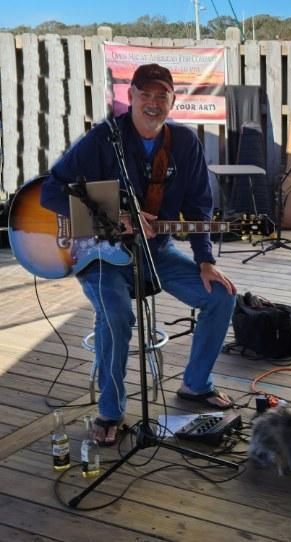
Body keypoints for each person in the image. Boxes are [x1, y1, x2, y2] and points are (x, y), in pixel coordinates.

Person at [41, 64, 237, 446]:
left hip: (155, 251)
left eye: (161, 95)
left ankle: (196, 385)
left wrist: (205, 260)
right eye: (144, 94)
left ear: (172, 101)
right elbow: (51, 191)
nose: (152, 102)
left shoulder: (184, 144)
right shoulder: (103, 139)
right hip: (98, 254)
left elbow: (199, 207)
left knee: (221, 296)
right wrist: (116, 216)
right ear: (129, 96)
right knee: (115, 314)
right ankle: (110, 410)